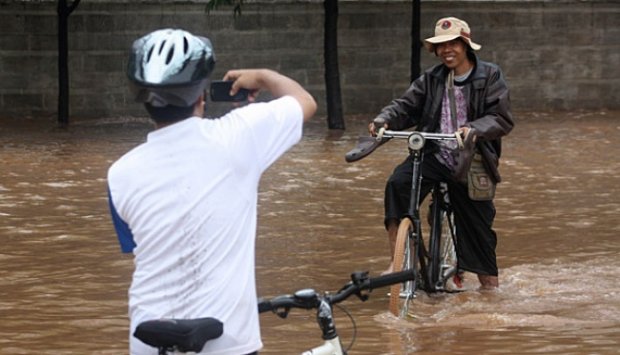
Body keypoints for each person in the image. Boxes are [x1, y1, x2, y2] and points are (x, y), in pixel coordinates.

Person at [107, 28, 316, 355]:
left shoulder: (118, 174)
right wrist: (262, 76)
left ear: (141, 98)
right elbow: (304, 102)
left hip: (148, 338)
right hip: (225, 341)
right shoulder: (240, 134)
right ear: (202, 94)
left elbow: (139, 246)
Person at [369, 17, 513, 289]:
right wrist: (383, 121)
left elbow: (501, 118)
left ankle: (489, 289)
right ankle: (397, 260)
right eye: (441, 45)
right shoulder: (431, 79)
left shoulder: (490, 75)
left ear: (466, 45)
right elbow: (405, 106)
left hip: (472, 160)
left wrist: (473, 129)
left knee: (478, 230)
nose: (447, 50)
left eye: (453, 44)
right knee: (397, 184)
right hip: (433, 154)